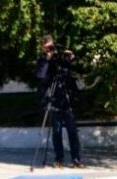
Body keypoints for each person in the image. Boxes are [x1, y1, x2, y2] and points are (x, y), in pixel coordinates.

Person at [36, 34, 82, 168]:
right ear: (43, 48)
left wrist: (71, 59)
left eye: (51, 47)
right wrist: (47, 60)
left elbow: (73, 71)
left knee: (73, 132)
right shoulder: (43, 60)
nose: (50, 50)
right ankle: (59, 159)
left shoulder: (61, 58)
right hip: (54, 100)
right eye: (47, 48)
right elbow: (40, 75)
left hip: (67, 100)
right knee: (56, 133)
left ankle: (76, 159)